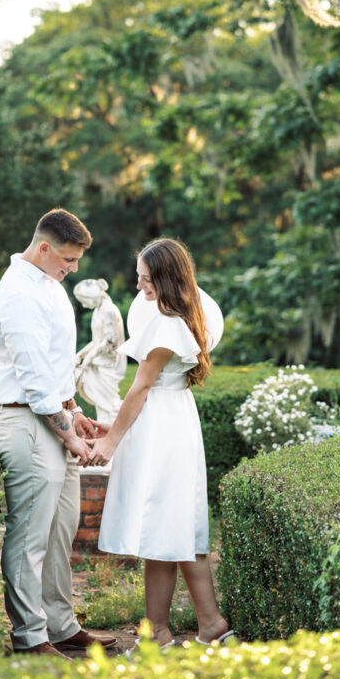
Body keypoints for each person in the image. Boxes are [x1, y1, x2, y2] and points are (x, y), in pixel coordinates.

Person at [0, 208, 116, 658]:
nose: (74, 269)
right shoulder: (18, 294)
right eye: (69, 260)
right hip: (24, 423)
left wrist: (75, 410)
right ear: (43, 248)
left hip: (52, 419)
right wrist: (72, 438)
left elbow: (57, 369)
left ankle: (60, 624)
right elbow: (35, 382)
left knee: (61, 530)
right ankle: (30, 638)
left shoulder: (49, 286)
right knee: (30, 535)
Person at [89, 237, 234, 648]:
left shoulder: (168, 325)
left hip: (163, 427)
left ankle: (169, 633)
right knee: (172, 528)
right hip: (169, 420)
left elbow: (140, 389)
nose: (140, 288)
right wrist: (114, 427)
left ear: (167, 279)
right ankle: (202, 626)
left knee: (165, 526)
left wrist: (112, 442)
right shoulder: (179, 317)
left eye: (147, 280)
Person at [73, 277, 126, 425]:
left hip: (108, 364)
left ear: (92, 297)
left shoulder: (108, 310)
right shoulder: (99, 309)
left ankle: (115, 434)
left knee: (109, 403)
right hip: (100, 361)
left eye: (83, 300)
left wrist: (88, 359)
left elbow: (110, 341)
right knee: (102, 404)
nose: (83, 304)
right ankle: (104, 432)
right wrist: (80, 354)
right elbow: (97, 340)